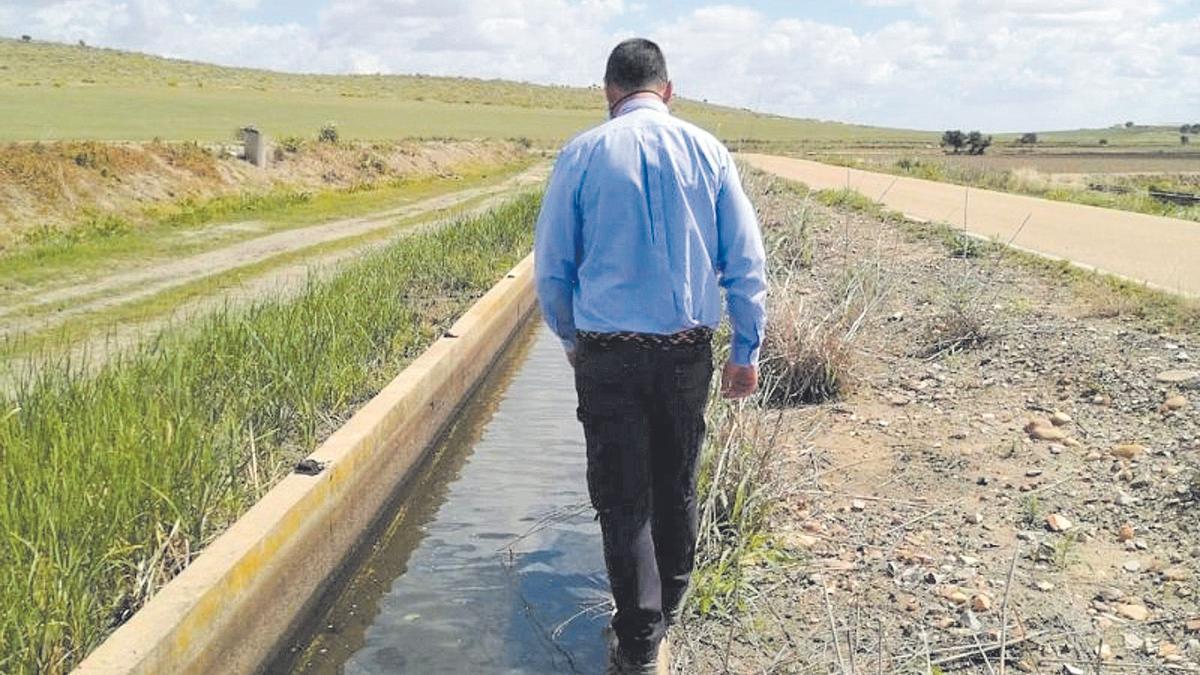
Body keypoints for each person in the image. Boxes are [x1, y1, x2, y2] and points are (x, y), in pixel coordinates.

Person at [534, 38, 767, 674]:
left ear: (609, 93)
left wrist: (573, 340)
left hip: (609, 353)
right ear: (668, 90)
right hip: (688, 353)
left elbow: (553, 272)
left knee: (621, 495)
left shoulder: (581, 154)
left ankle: (638, 641)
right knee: (676, 481)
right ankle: (667, 612)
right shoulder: (709, 151)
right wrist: (746, 348)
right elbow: (745, 264)